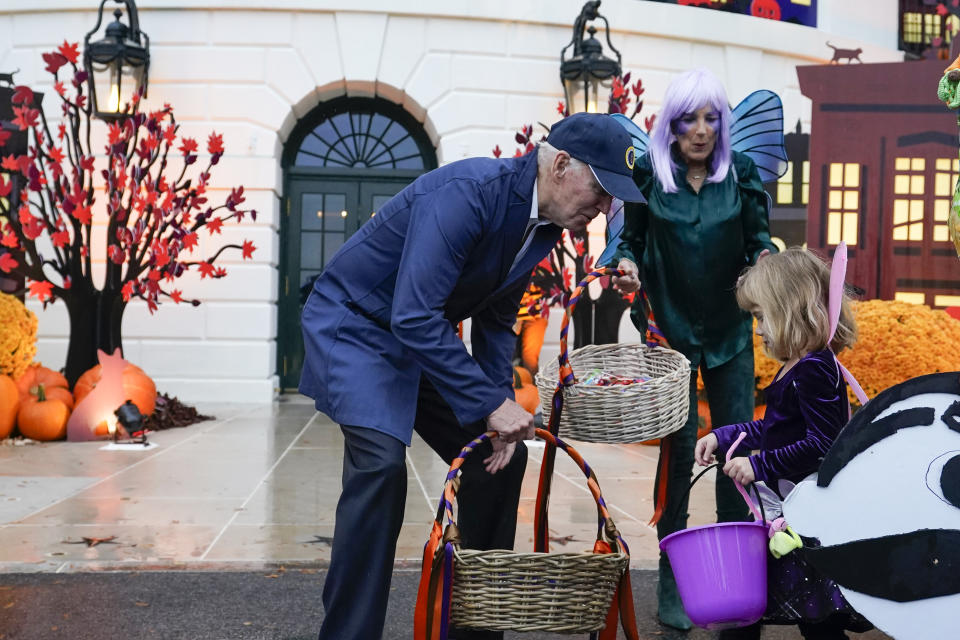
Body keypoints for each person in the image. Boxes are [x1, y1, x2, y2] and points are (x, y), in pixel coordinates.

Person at [298, 112, 645, 640]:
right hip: (355, 325)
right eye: (600, 190)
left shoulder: (543, 228)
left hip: (414, 334)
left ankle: (476, 628)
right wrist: (489, 404)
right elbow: (412, 314)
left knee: (499, 461)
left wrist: (498, 412)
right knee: (382, 468)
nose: (602, 210)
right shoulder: (469, 193)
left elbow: (495, 321)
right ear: (560, 165)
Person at [608, 67, 778, 630]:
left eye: (711, 118)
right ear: (670, 127)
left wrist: (765, 263)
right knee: (678, 456)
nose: (700, 131)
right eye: (687, 120)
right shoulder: (650, 178)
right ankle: (673, 581)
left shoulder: (744, 175)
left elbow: (758, 241)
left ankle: (738, 574)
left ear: (723, 123)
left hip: (731, 333)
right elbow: (630, 241)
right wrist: (627, 266)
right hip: (673, 334)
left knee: (735, 453)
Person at [695, 247, 866, 640]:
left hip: (805, 515)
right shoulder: (799, 365)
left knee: (811, 620)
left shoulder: (815, 369)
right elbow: (776, 428)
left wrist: (760, 466)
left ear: (791, 310)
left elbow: (823, 444)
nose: (757, 329)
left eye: (761, 317)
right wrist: (723, 437)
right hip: (787, 508)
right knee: (761, 610)